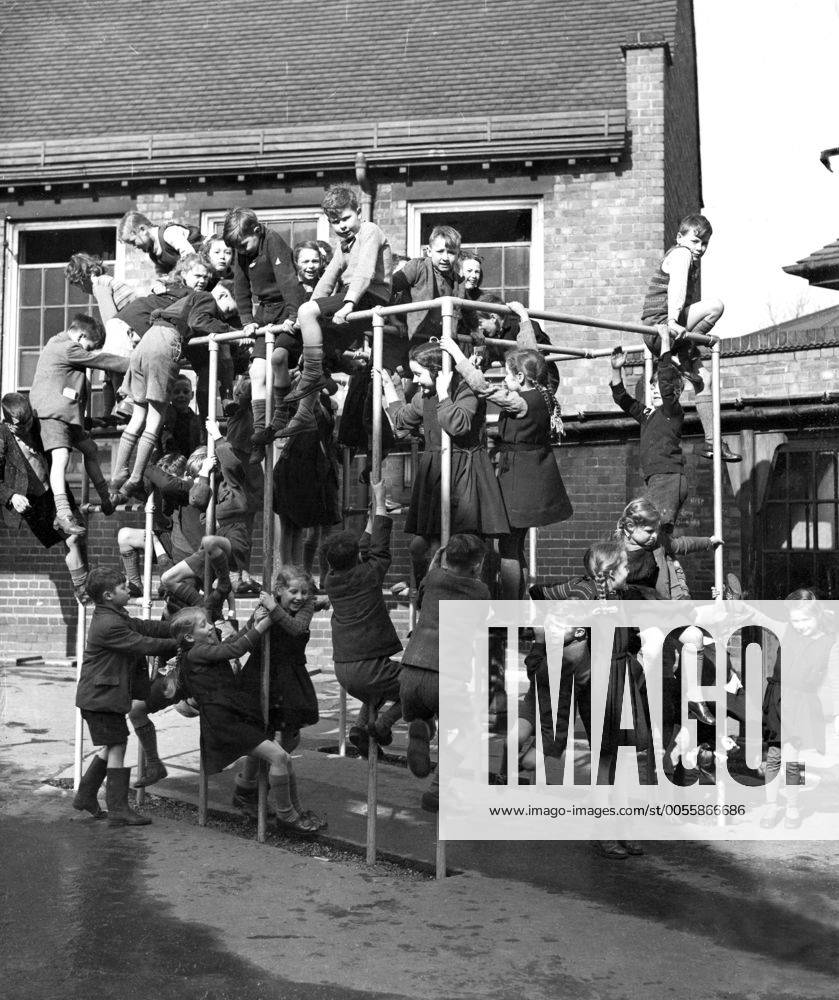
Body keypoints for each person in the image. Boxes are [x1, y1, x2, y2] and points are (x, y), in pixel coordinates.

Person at [439, 302, 571, 598]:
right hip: (535, 472)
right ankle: (514, 607)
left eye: (510, 376)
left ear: (521, 379)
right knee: (513, 545)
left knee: (508, 548)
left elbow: (483, 387)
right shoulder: (544, 389)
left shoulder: (521, 401)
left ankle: (510, 610)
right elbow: (532, 355)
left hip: (519, 478)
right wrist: (524, 319)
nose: (506, 380)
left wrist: (457, 354)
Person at [530, 541, 647, 860]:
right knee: (606, 759)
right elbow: (538, 593)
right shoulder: (585, 594)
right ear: (609, 573)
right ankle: (604, 830)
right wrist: (562, 630)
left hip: (624, 675)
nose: (629, 570)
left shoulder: (622, 594)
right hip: (599, 681)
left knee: (626, 759)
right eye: (624, 566)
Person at [166, 600, 319, 834]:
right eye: (203, 625)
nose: (210, 627)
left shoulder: (203, 650)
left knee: (282, 757)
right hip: (223, 721)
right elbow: (235, 650)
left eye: (208, 622)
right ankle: (286, 815)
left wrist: (251, 622)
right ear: (189, 638)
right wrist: (268, 621)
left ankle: (293, 812)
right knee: (279, 756)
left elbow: (231, 642)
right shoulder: (196, 653)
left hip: (231, 715)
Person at [385, 340, 509, 587]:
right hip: (436, 473)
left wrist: (443, 394)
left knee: (466, 547)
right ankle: (428, 594)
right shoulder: (424, 396)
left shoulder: (464, 390)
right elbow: (401, 420)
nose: (417, 380)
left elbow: (458, 424)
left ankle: (474, 600)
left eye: (419, 374)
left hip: (463, 472)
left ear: (437, 371)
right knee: (419, 545)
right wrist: (390, 386)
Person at [111, 256, 236, 498]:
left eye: (206, 278)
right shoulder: (204, 298)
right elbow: (200, 321)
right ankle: (135, 478)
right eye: (198, 276)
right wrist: (233, 331)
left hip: (144, 343)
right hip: (164, 345)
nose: (203, 281)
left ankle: (118, 474)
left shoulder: (177, 296)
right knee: (154, 420)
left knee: (138, 416)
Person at [282, 186, 392, 437]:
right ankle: (303, 414)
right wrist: (302, 316)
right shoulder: (344, 245)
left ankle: (313, 376)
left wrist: (349, 303)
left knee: (310, 314)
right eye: (335, 222)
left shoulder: (369, 231)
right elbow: (326, 281)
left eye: (345, 219)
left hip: (370, 295)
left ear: (359, 212)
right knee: (316, 346)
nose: (341, 226)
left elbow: (365, 271)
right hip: (354, 297)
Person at [74, 567, 177, 826]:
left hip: (102, 696)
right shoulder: (109, 624)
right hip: (100, 698)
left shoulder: (114, 614)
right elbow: (143, 643)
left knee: (111, 745)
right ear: (109, 595)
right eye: (123, 587)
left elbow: (144, 626)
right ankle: (118, 809)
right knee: (118, 744)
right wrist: (182, 642)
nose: (129, 588)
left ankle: (86, 795)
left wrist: (175, 627)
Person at [400, 534, 490, 811]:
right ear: (477, 565)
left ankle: (422, 728)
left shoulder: (433, 579)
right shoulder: (480, 592)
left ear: (445, 558)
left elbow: (421, 599)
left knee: (424, 712)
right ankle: (438, 790)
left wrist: (439, 562)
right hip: (448, 676)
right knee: (468, 732)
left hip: (411, 668)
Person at [640, 213, 740, 463]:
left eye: (704, 243)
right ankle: (677, 353)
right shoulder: (680, 255)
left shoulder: (690, 259)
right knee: (715, 306)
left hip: (674, 332)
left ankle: (711, 443)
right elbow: (676, 289)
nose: (700, 248)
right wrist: (673, 321)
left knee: (704, 379)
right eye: (696, 241)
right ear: (680, 237)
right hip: (660, 327)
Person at [231, 567, 325, 829]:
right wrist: (257, 619)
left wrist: (274, 609)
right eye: (293, 591)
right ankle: (250, 792)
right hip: (262, 675)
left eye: (304, 592)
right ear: (280, 589)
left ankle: (251, 787)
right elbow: (249, 633)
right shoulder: (267, 605)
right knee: (262, 738)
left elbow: (296, 628)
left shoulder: (303, 609)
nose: (299, 596)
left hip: (290, 678)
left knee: (289, 739)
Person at [321, 479, 403, 756]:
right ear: (356, 557)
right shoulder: (368, 575)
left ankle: (359, 728)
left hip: (344, 669)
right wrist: (380, 501)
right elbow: (378, 548)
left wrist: (371, 518)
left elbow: (365, 549)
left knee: (376, 691)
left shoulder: (331, 580)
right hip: (368, 667)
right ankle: (383, 724)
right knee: (424, 688)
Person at [28, 313, 129, 531]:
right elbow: (101, 361)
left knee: (90, 449)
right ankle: (63, 512)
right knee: (61, 456)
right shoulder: (67, 347)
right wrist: (138, 364)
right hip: (52, 414)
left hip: (67, 415)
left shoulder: (61, 344)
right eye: (89, 346)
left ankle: (106, 498)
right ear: (81, 335)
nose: (88, 352)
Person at [222, 207, 304, 453]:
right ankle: (259, 433)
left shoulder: (272, 241)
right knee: (257, 372)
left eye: (245, 245)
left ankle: (280, 418)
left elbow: (288, 280)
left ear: (257, 231)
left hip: (286, 306)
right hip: (265, 311)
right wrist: (247, 320)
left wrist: (293, 314)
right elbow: (241, 286)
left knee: (276, 361)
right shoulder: (242, 253)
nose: (242, 251)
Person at [761, 589, 839, 830]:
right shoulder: (786, 630)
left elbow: (834, 680)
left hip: (801, 702)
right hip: (778, 697)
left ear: (817, 617)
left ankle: (793, 807)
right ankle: (771, 805)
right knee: (773, 755)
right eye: (795, 620)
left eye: (805, 620)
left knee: (793, 756)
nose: (800, 625)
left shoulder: (830, 642)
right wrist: (732, 603)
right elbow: (754, 616)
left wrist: (835, 712)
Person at [0, 393, 90, 601]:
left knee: (75, 537)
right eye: (18, 427)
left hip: (55, 492)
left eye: (28, 423)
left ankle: (83, 584)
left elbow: (65, 426)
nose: (25, 430)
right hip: (33, 502)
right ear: (7, 422)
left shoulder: (40, 425)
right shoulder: (3, 435)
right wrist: (12, 496)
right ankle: (81, 585)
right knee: (70, 539)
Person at [609, 326, 687, 532]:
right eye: (652, 388)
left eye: (659, 387)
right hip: (656, 479)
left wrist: (665, 342)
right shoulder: (648, 415)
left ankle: (667, 564)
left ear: (675, 391)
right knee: (657, 537)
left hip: (669, 478)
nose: (655, 390)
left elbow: (666, 379)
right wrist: (617, 369)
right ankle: (672, 565)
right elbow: (622, 399)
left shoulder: (673, 411)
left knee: (652, 533)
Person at [250, 240, 327, 446]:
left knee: (311, 377)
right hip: (294, 331)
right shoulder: (290, 285)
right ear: (295, 263)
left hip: (317, 335)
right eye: (305, 261)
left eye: (315, 261)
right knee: (277, 357)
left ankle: (297, 422)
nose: (311, 266)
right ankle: (281, 412)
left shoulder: (326, 283)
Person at [64, 252, 137, 425]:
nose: (81, 290)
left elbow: (111, 320)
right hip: (130, 326)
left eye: (78, 284)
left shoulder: (99, 284)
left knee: (111, 362)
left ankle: (122, 407)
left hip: (127, 328)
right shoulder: (107, 281)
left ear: (83, 277)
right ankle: (110, 412)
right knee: (108, 370)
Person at [116, 451, 185, 597]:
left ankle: (169, 581)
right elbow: (131, 488)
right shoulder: (155, 489)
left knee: (170, 593)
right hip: (165, 538)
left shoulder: (185, 488)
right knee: (125, 535)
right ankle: (135, 584)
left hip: (184, 541)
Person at [390, 225, 463, 352]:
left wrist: (475, 330)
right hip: (409, 334)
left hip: (438, 339)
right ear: (429, 251)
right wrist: (393, 319)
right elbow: (388, 288)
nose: (445, 258)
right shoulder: (417, 267)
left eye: (451, 252)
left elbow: (468, 310)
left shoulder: (458, 281)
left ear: (458, 255)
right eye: (440, 251)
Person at [117, 211, 202, 275]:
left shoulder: (168, 234)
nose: (135, 247)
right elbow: (163, 274)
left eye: (133, 242)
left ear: (143, 229)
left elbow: (191, 258)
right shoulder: (154, 254)